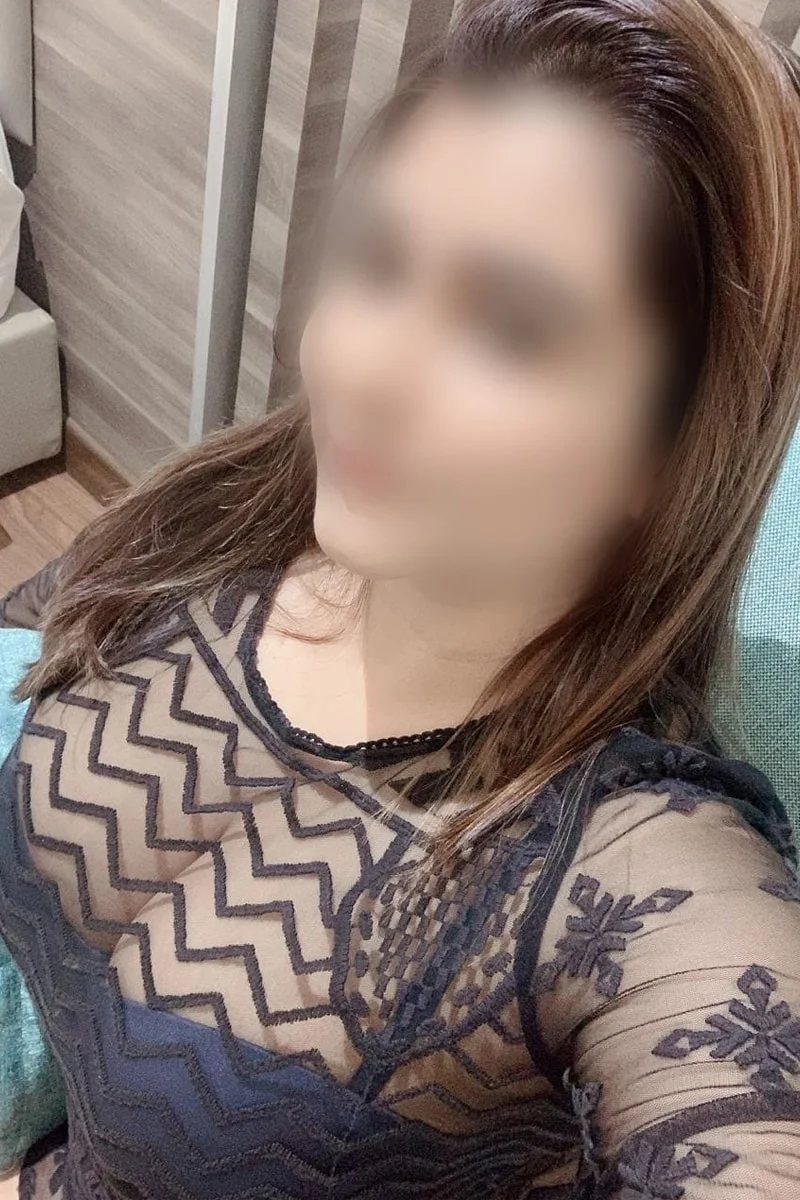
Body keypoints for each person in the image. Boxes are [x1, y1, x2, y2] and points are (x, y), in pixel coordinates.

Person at [2, 0, 800, 1195]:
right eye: (377, 260)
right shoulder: (216, 516)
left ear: (669, 448)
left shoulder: (632, 868)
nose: (366, 367)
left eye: (512, 328)